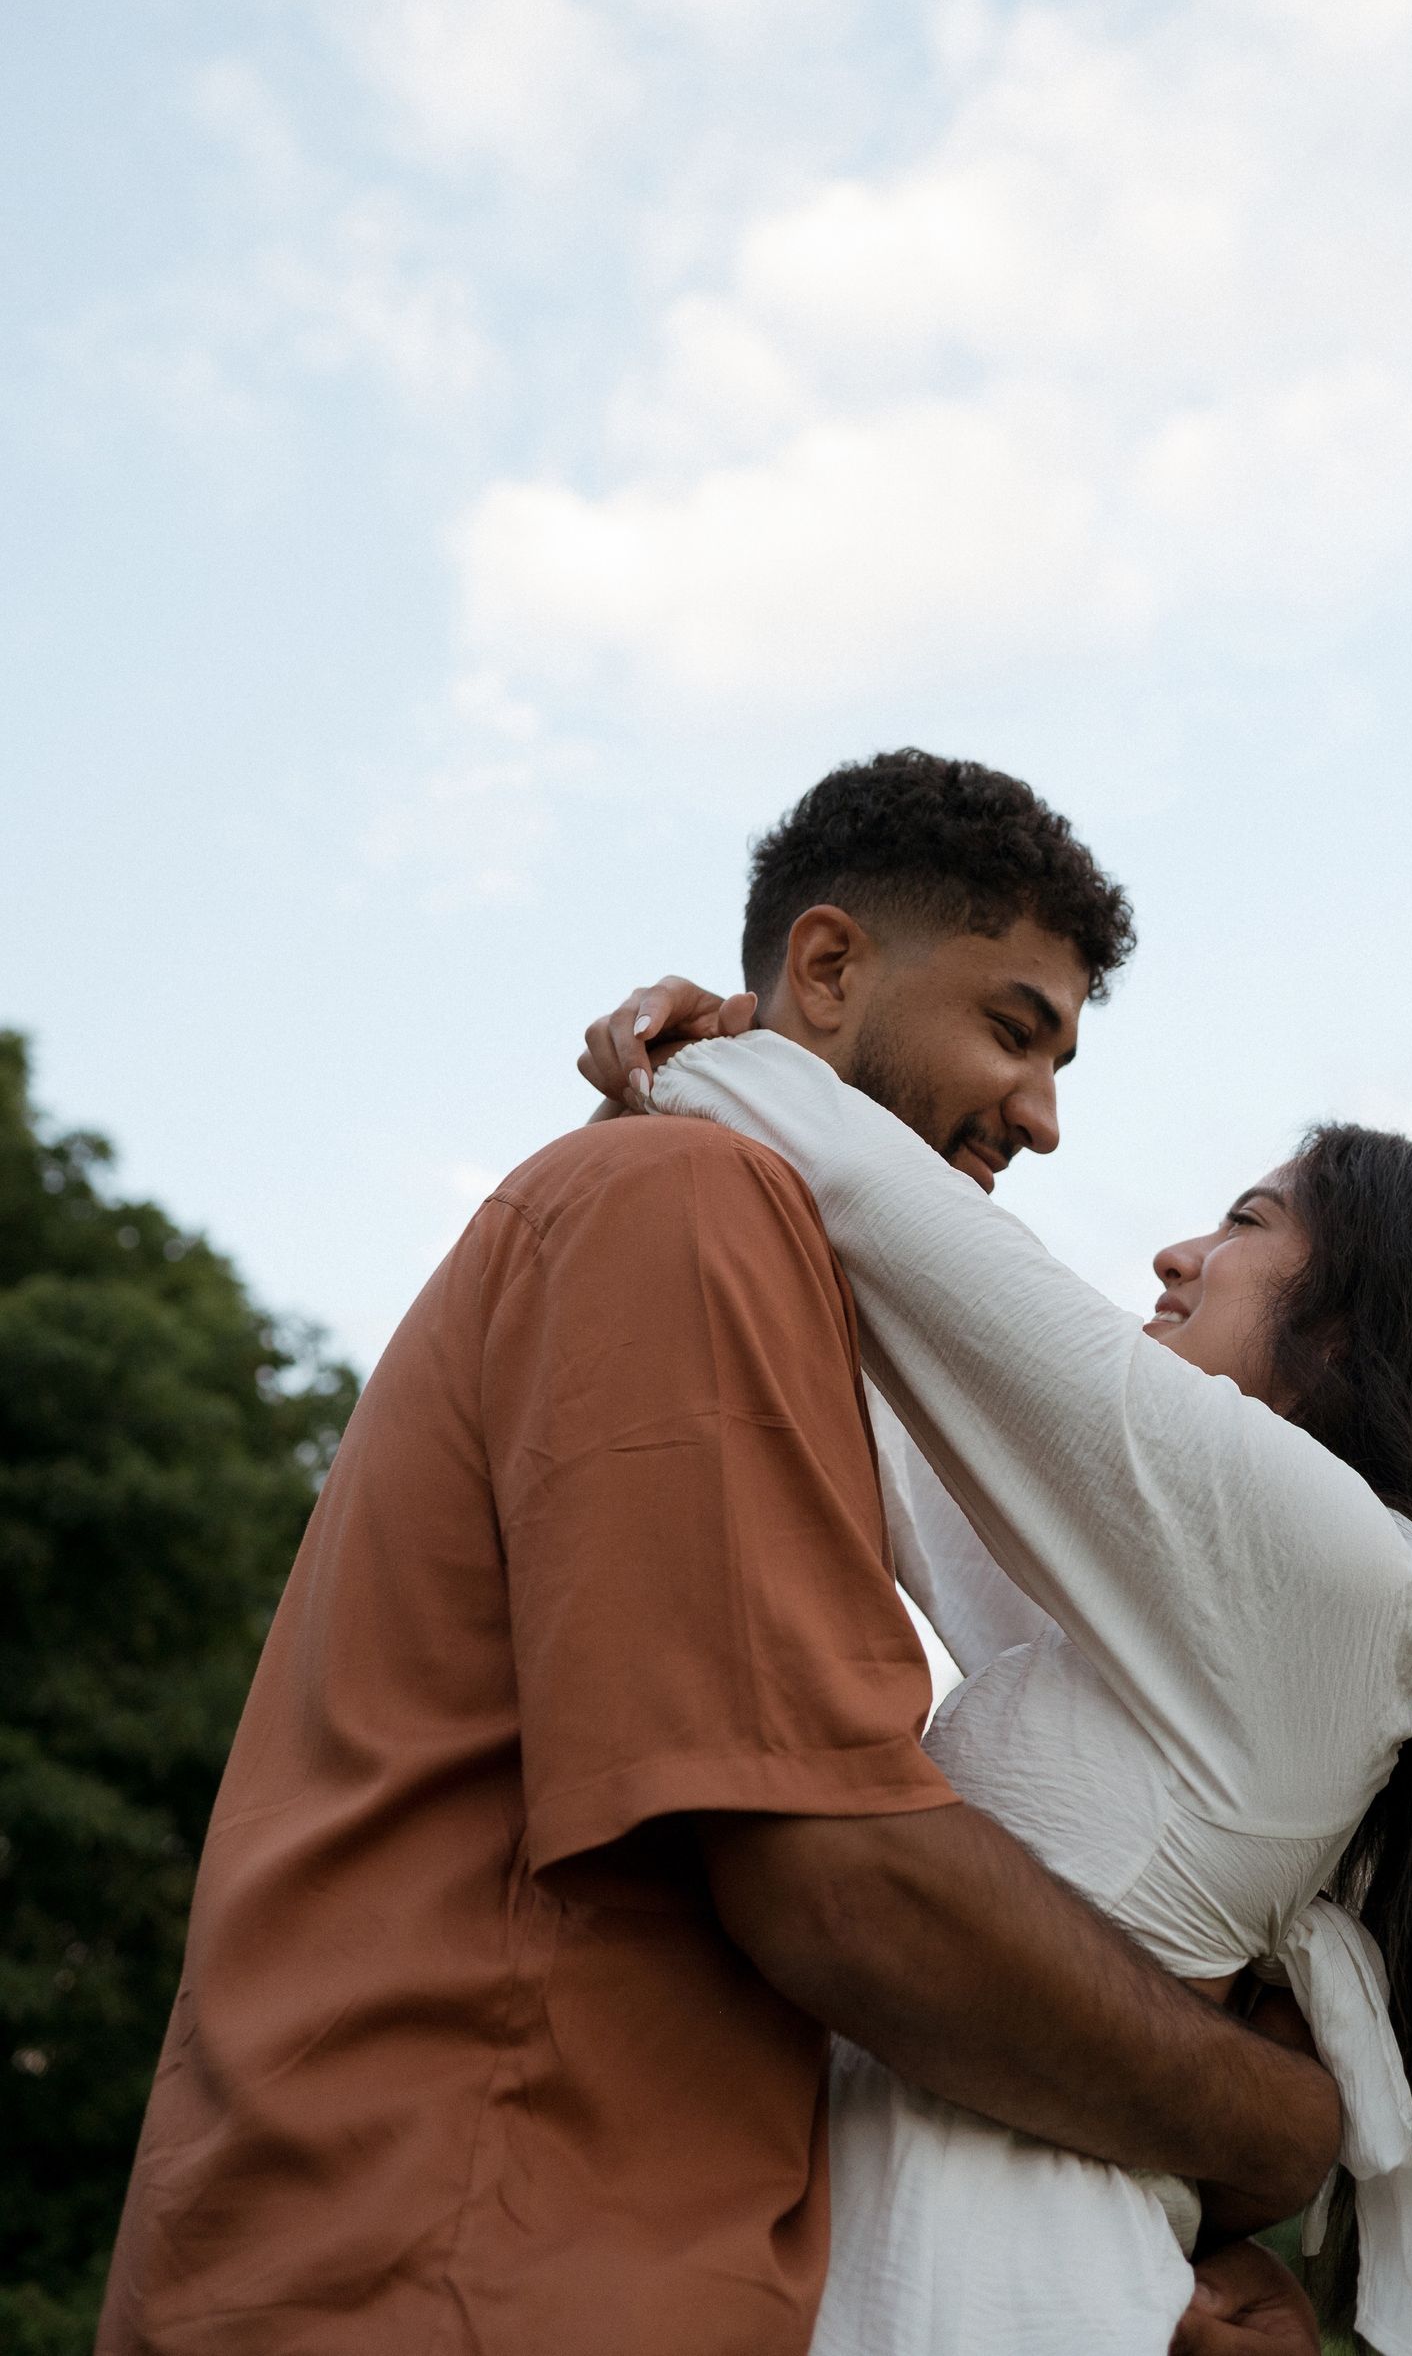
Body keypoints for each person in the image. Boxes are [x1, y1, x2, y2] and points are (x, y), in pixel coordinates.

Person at [98, 751, 1336, 2356]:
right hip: (449, 2264)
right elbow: (837, 1878)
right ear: (825, 968)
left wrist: (1114, 2269)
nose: (1044, 1114)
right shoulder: (683, 1198)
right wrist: (1276, 2138)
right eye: (1014, 1028)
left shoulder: (759, 1249)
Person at [580, 901, 1412, 2351]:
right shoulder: (1168, 1620)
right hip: (895, 2264)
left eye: (1247, 1222)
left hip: (1016, 2288)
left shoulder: (1341, 1576)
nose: (1176, 1254)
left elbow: (905, 1238)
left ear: (1362, 1327)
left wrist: (698, 1059)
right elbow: (887, 1407)